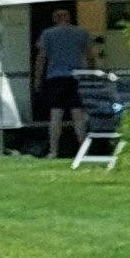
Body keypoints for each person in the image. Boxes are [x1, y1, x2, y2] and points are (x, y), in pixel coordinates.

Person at [34, 9, 92, 157]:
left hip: (56, 77)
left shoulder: (48, 34)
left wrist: (38, 78)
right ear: (69, 18)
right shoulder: (81, 33)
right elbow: (89, 55)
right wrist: (91, 72)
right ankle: (83, 150)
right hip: (77, 77)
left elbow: (41, 58)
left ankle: (53, 150)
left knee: (56, 115)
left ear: (55, 19)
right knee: (78, 115)